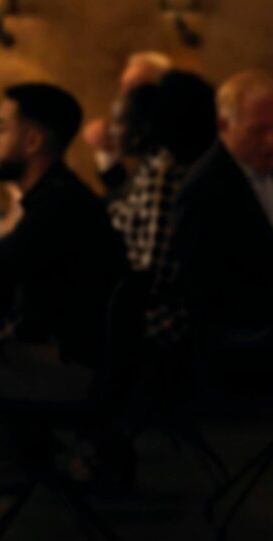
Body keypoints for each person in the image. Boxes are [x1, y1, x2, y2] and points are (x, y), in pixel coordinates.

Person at [0, 82, 127, 541]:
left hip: (67, 371)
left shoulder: (58, 207)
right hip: (77, 362)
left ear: (32, 141)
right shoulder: (60, 198)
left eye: (0, 128)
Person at [173, 70, 273, 388]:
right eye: (259, 131)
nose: (272, 141)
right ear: (224, 126)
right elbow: (207, 288)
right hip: (253, 325)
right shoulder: (204, 188)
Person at [108, 70, 216, 346]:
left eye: (119, 122)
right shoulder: (148, 170)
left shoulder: (161, 172)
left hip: (158, 327)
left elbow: (155, 270)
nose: (111, 131)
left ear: (142, 127)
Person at [82, 51, 173, 198]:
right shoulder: (132, 136)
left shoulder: (169, 147)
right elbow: (126, 195)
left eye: (134, 86)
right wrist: (106, 152)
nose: (124, 95)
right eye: (123, 86)